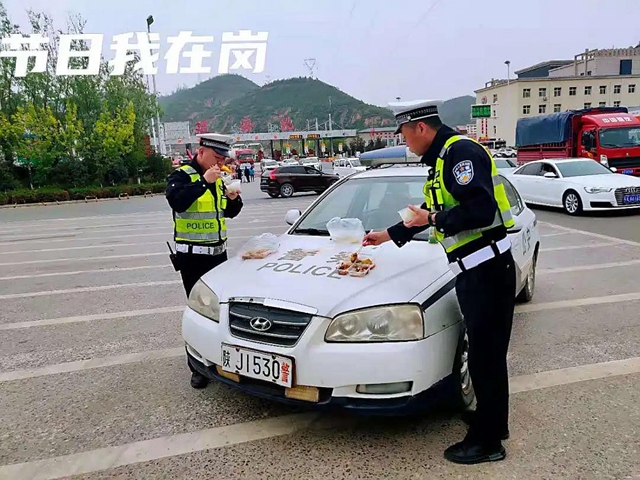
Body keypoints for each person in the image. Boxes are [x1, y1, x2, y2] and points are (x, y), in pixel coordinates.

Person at [363, 100, 516, 465]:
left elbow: (480, 210)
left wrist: (432, 218)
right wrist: (389, 234)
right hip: (475, 271)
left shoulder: (461, 153)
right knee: (485, 355)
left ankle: (488, 442)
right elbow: (429, 212)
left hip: (487, 270)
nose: (404, 142)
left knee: (485, 358)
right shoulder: (442, 160)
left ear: (421, 128)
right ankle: (493, 421)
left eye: (404, 134)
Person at [165, 132, 244, 388]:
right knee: (199, 313)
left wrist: (234, 199)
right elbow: (177, 201)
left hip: (218, 256)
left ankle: (221, 359)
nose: (220, 163)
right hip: (192, 258)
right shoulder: (182, 176)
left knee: (221, 311)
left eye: (223, 158)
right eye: (216, 157)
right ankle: (197, 367)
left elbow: (229, 213)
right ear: (201, 152)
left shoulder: (219, 178)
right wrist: (203, 182)